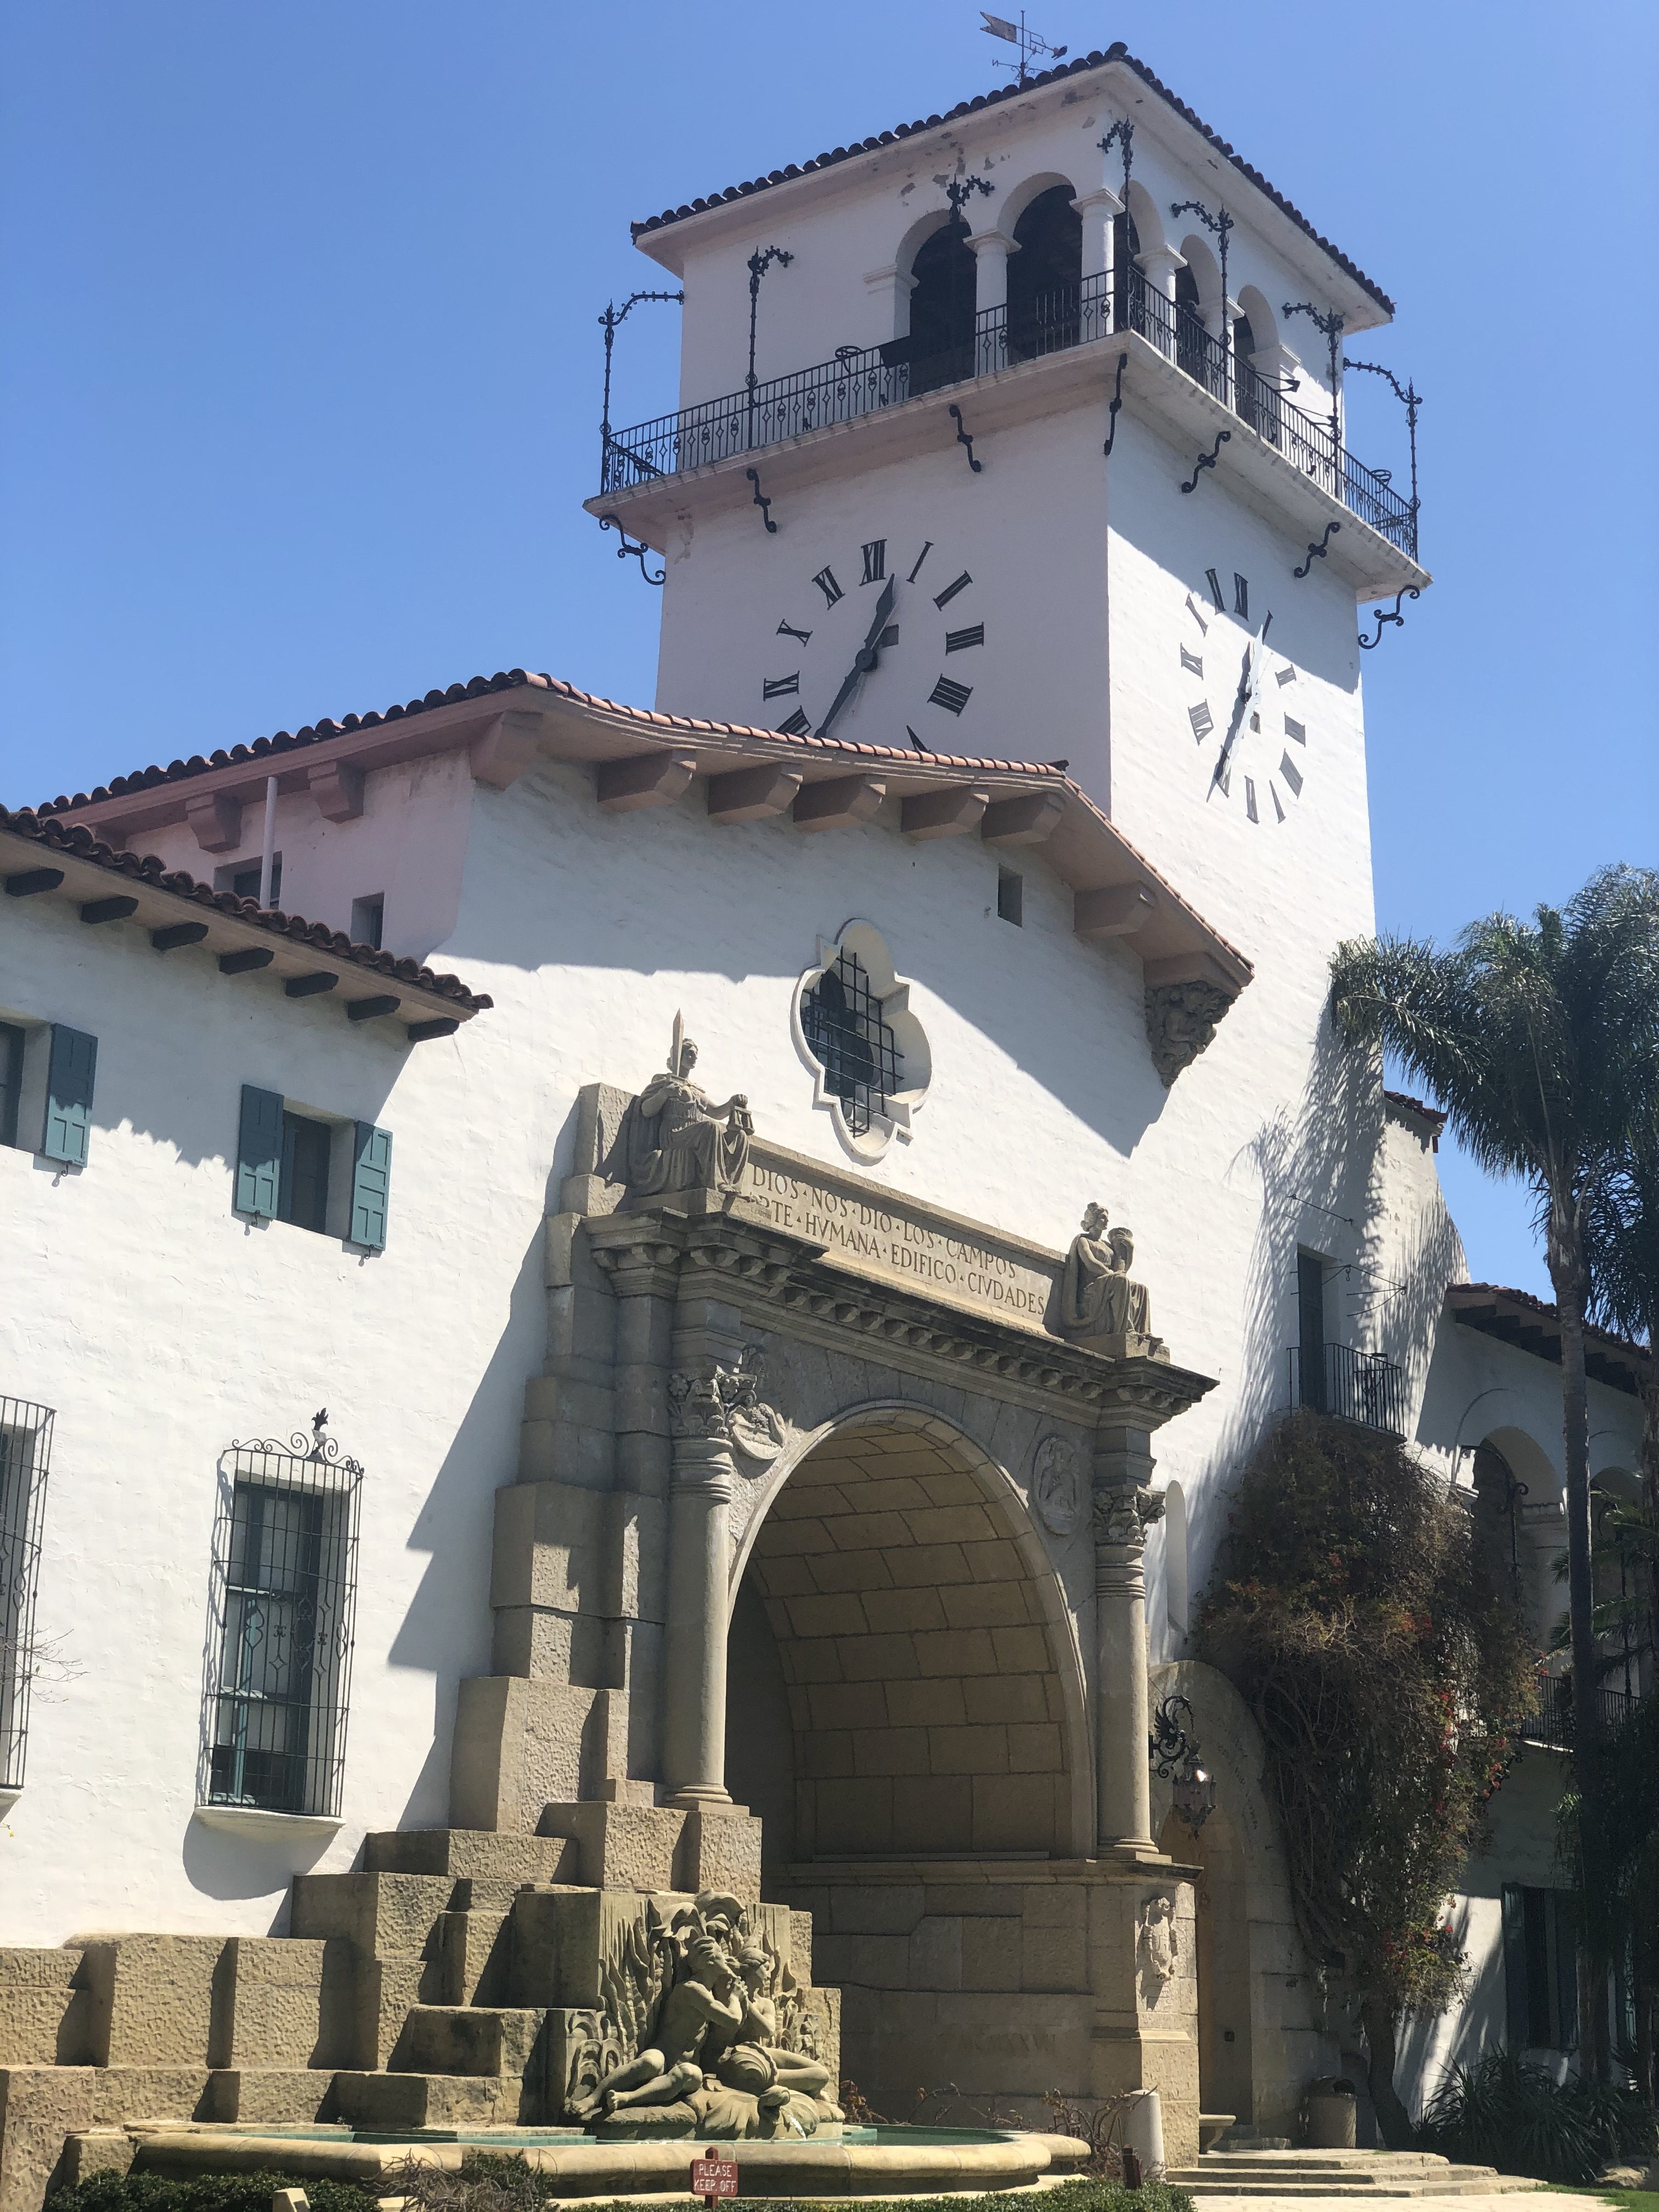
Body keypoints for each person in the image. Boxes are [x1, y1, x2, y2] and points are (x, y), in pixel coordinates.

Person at [599, 1937, 745, 2114]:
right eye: (721, 1954)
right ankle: (592, 2098)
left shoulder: (709, 1992)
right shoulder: (693, 1990)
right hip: (663, 2054)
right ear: (711, 1961)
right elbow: (732, 2020)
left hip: (685, 2067)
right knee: (649, 2063)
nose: (726, 1959)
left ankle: (627, 2098)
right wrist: (735, 1998)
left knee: (689, 2074)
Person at [612, 1034, 752, 1197]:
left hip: (696, 1134)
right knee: (711, 1127)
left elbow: (716, 1112)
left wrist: (732, 1103)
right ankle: (718, 1183)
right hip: (674, 1134)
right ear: (679, 1056)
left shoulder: (695, 1089)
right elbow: (646, 1110)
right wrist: (664, 1093)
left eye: (695, 1055)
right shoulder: (664, 1081)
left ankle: (732, 1185)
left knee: (741, 1136)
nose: (694, 1058)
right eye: (690, 1054)